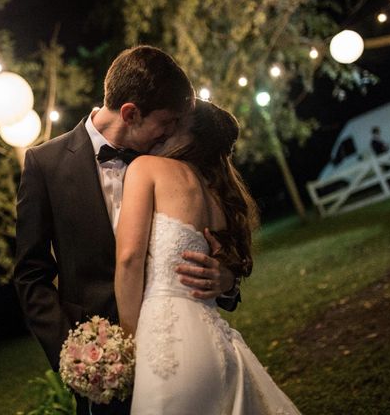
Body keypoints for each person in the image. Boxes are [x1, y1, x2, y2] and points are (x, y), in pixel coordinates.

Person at [13, 46, 240, 415]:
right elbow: (30, 274)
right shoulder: (45, 164)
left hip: (175, 353)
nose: (171, 133)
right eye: (166, 123)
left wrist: (226, 280)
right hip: (100, 364)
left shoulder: (169, 162)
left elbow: (218, 240)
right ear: (131, 113)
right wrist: (72, 352)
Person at [115, 100, 300, 414]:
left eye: (173, 124)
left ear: (189, 135)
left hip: (167, 342)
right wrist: (228, 277)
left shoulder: (147, 168)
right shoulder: (217, 197)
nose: (164, 132)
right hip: (215, 343)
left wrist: (127, 343)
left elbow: (130, 258)